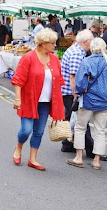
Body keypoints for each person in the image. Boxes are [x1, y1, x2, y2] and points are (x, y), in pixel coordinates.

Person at [11, 28, 65, 171]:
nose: (55, 45)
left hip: (45, 103)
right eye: (52, 43)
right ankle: (18, 148)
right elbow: (18, 80)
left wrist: (60, 104)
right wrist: (17, 99)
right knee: (26, 130)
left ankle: (33, 159)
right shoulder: (28, 57)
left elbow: (58, 82)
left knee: (39, 132)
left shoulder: (54, 59)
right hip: (29, 100)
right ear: (43, 44)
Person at [67, 38, 107, 170]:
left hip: (88, 100)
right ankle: (97, 161)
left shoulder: (86, 61)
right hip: (104, 103)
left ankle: (79, 158)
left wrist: (80, 92)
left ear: (92, 48)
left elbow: (80, 85)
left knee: (80, 128)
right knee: (100, 131)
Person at [59, 30, 98, 156]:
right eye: (92, 40)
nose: (93, 43)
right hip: (71, 92)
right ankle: (91, 150)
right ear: (86, 41)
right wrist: (76, 95)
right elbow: (74, 77)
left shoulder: (76, 50)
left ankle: (67, 144)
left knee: (71, 118)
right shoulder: (77, 53)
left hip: (67, 91)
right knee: (81, 121)